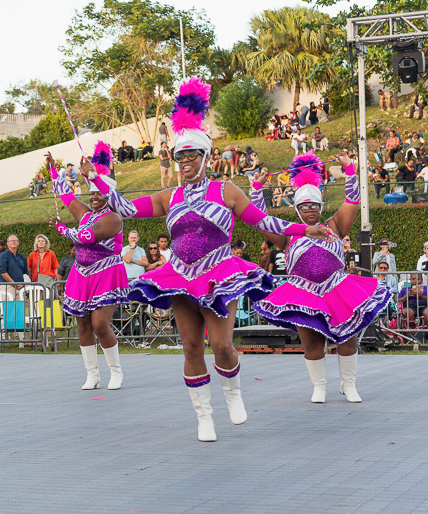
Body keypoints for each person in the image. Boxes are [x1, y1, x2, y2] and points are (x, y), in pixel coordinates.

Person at [88, 77, 332, 442]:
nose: (184, 161)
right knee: (190, 347)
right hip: (180, 277)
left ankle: (233, 393)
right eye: (179, 156)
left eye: (191, 155)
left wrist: (303, 229)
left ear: (205, 157)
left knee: (221, 345)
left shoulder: (226, 190)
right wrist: (98, 179)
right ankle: (204, 416)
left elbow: (265, 223)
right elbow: (125, 208)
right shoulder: (169, 196)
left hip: (219, 275)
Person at [251, 151, 391, 405]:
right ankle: (319, 386)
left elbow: (352, 201)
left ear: (320, 206)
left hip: (338, 289)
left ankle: (349, 384)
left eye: (314, 206)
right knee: (311, 343)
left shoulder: (334, 226)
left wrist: (350, 170)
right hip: (303, 293)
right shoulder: (288, 234)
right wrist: (257, 189)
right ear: (297, 209)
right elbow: (261, 221)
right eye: (304, 207)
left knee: (347, 339)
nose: (310, 211)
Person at [48, 145, 128, 390]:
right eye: (91, 193)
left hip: (106, 273)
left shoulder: (113, 218)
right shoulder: (85, 214)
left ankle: (116, 371)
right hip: (81, 273)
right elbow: (66, 196)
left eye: (99, 194)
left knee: (100, 324)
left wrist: (62, 229)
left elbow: (87, 237)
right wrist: (53, 171)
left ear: (108, 196)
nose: (93, 197)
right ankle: (92, 374)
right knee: (82, 324)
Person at [398, 271, 428, 339]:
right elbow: (398, 301)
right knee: (407, 312)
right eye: (413, 279)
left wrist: (422, 297)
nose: (415, 281)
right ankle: (413, 334)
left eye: (418, 279)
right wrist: (407, 296)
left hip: (425, 305)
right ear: (410, 280)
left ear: (422, 280)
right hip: (410, 306)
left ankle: (426, 334)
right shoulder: (405, 289)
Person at [0, 235, 29, 301]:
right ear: (7, 243)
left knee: (20, 307)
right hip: (7, 287)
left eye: (15, 241)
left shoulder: (21, 257)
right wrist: (13, 283)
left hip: (20, 288)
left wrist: (23, 284)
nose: (13, 242)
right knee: (8, 307)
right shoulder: (3, 256)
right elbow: (3, 272)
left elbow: (25, 272)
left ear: (18, 243)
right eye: (11, 241)